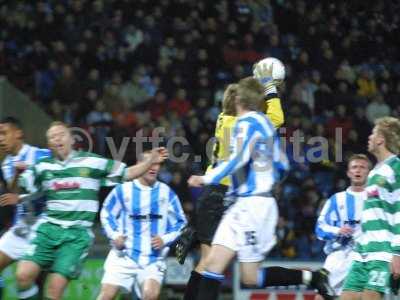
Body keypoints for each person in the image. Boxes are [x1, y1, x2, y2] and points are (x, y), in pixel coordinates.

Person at [187, 77, 333, 300]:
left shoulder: (245, 123)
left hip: (254, 207)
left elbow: (239, 158)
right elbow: (283, 164)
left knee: (249, 277)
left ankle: (312, 278)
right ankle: (312, 279)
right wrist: (269, 180)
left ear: (238, 98)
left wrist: (206, 178)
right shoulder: (264, 123)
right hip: (243, 204)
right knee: (213, 266)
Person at [14, 121, 167, 300]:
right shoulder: (42, 166)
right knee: (22, 276)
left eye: (61, 134)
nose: (57, 139)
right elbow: (19, 189)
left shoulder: (92, 162)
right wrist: (17, 175)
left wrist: (149, 161)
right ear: (49, 145)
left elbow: (127, 173)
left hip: (76, 235)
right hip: (48, 229)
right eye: (52, 137)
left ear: (72, 139)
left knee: (53, 291)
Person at [179, 64, 285, 300]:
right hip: (221, 192)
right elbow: (276, 118)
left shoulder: (224, 119)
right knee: (210, 263)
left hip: (216, 193)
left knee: (210, 263)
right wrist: (269, 88)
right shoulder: (240, 124)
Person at [97, 150, 187, 300]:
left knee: (150, 295)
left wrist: (165, 239)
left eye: (157, 164)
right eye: (150, 163)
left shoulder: (166, 193)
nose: (154, 167)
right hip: (123, 255)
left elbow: (181, 223)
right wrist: (115, 236)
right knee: (106, 295)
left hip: (152, 258)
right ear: (139, 165)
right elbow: (106, 213)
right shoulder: (123, 190)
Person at [341, 117, 400, 300]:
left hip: (383, 251)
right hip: (363, 251)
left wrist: (397, 253)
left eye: (373, 133)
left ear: (381, 139)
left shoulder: (396, 167)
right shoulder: (374, 172)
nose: (369, 137)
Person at [0, 117, 51, 298]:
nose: (0, 139)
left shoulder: (42, 155)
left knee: (30, 280)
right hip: (21, 227)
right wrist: (16, 173)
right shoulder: (7, 163)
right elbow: (14, 193)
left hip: (44, 227)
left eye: (4, 133)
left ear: (18, 133)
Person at [315, 154, 370, 298]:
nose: (358, 170)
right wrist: (337, 230)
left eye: (362, 167)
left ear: (369, 172)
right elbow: (320, 228)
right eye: (354, 167)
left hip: (365, 258)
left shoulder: (375, 199)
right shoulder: (336, 199)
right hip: (338, 257)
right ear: (348, 172)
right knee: (321, 296)